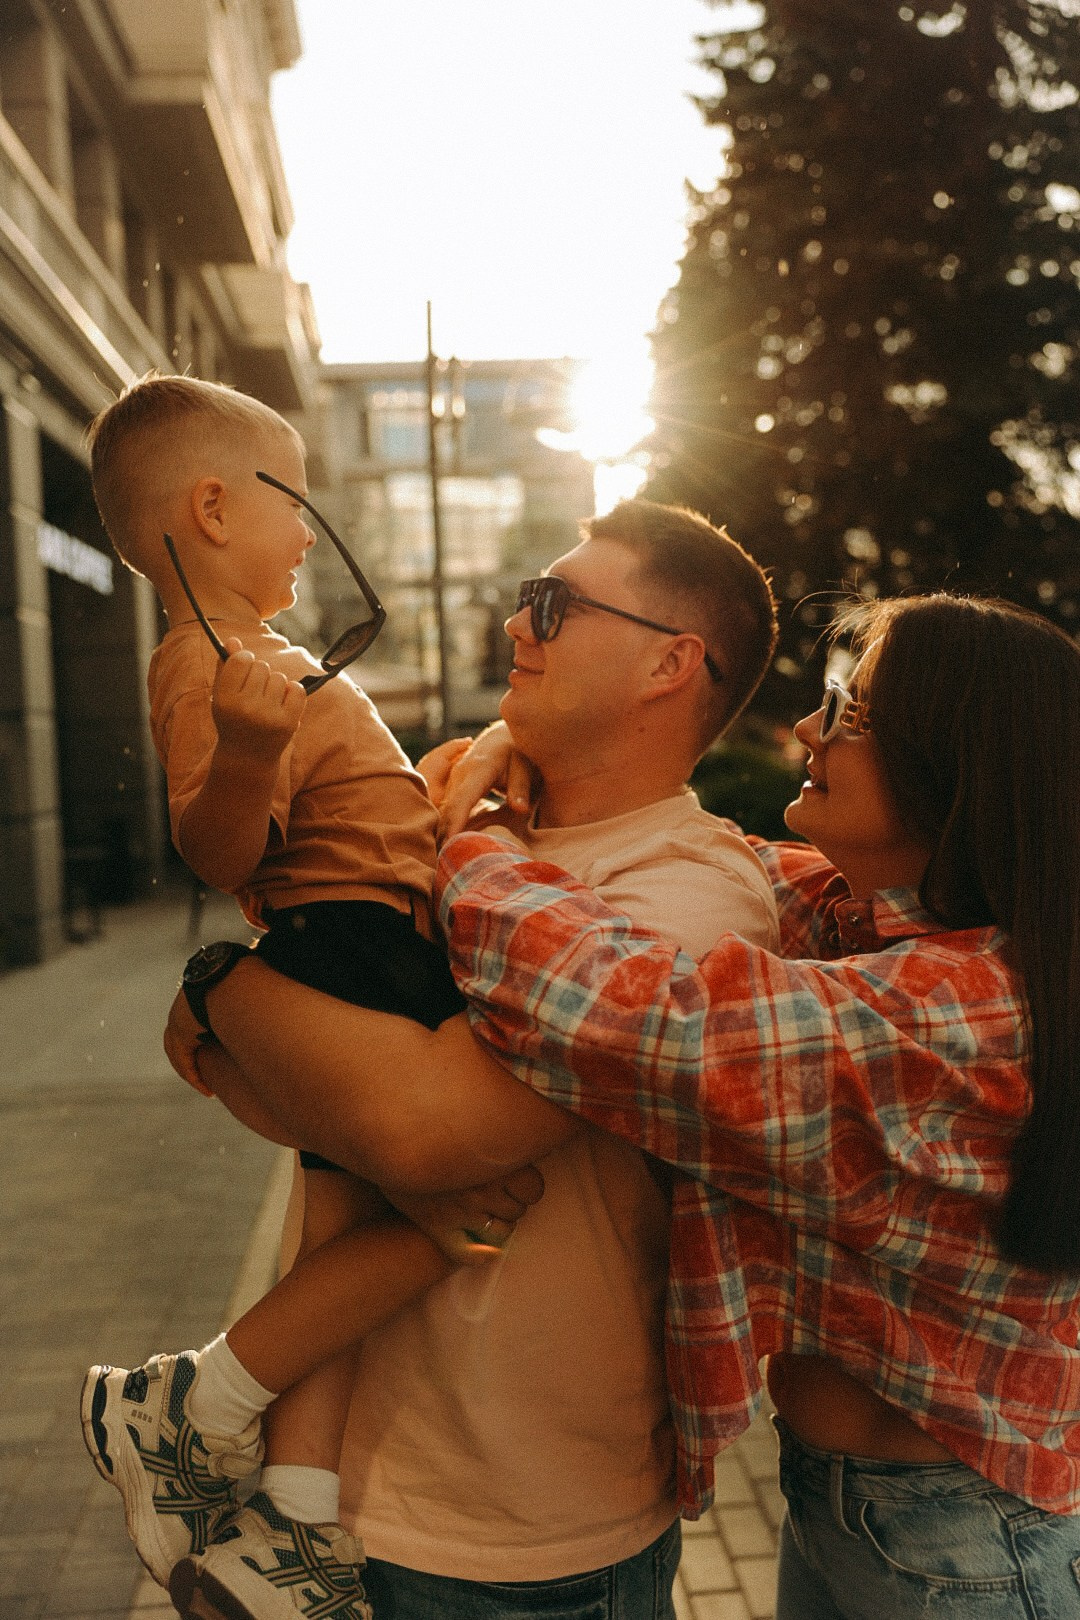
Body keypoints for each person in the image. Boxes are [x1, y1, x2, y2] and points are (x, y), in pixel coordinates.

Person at [169, 593, 1080, 1619]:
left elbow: (621, 1005)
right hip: (863, 1507)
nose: (808, 729)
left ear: (960, 762)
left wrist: (482, 821)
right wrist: (521, 749)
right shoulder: (869, 923)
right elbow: (713, 862)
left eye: (851, 712)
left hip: (962, 1541)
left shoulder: (958, 1008)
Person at [167, 497, 782, 1620]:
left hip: (525, 1545)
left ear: (671, 663)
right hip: (327, 1500)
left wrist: (220, 991)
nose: (518, 627)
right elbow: (295, 1097)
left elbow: (419, 1132)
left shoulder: (695, 897)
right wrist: (242, 1019)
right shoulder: (452, 820)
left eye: (554, 602)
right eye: (523, 603)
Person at [80, 373, 487, 1620]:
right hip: (356, 958)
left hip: (355, 946)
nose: (310, 530)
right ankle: (187, 1408)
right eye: (294, 503)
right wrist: (252, 749)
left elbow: (343, 805)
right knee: (449, 1221)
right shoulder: (208, 662)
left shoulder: (255, 653)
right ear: (213, 507)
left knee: (340, 1241)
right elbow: (218, 851)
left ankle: (292, 1528)